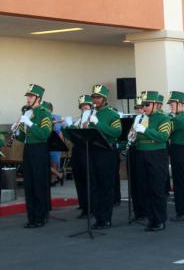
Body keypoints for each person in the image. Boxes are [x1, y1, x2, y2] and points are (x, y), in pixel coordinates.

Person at [134, 91, 171, 231]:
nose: (144, 108)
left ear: (156, 105)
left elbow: (163, 136)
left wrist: (144, 130)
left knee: (157, 189)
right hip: (141, 154)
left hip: (156, 155)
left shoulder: (163, 118)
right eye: (143, 105)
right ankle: (151, 218)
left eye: (147, 104)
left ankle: (160, 220)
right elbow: (135, 136)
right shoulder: (142, 118)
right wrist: (133, 135)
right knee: (145, 188)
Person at [16, 84, 52, 228]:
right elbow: (24, 137)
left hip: (39, 150)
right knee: (29, 184)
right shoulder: (28, 113)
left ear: (38, 98)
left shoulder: (44, 113)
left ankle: (40, 217)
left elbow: (44, 134)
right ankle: (31, 217)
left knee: (38, 184)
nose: (28, 99)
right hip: (28, 149)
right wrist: (18, 130)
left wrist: (30, 123)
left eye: (30, 96)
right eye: (28, 96)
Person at [87, 84, 122, 229]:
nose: (95, 100)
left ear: (104, 99)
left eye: (98, 97)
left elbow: (116, 133)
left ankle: (106, 218)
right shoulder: (91, 113)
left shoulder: (112, 114)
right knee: (94, 186)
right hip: (93, 151)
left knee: (106, 186)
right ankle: (98, 217)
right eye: (94, 97)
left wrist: (98, 123)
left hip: (107, 153)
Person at [62, 94, 92, 218]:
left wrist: (71, 127)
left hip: (88, 151)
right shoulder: (79, 120)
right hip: (77, 151)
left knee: (88, 180)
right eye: (82, 106)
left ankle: (90, 208)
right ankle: (83, 205)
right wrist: (67, 127)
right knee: (79, 179)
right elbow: (70, 137)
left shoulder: (93, 118)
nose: (84, 108)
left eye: (86, 106)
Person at [167, 91, 184, 221]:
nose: (170, 107)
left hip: (179, 150)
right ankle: (183, 210)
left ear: (179, 104)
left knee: (180, 181)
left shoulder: (180, 119)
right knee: (180, 180)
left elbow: (167, 131)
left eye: (172, 104)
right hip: (178, 149)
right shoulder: (181, 117)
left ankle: (182, 211)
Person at [128, 96, 146, 220]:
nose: (139, 110)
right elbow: (131, 134)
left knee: (142, 182)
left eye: (141, 108)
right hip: (133, 151)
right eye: (137, 108)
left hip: (142, 151)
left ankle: (144, 210)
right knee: (134, 183)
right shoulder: (136, 119)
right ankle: (137, 210)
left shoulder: (147, 119)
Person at [41, 101, 64, 186]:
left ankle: (53, 180)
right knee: (45, 162)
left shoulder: (57, 117)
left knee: (54, 162)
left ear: (51, 110)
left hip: (55, 142)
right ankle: (59, 175)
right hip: (44, 142)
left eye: (47, 109)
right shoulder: (41, 117)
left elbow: (61, 129)